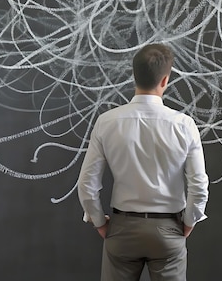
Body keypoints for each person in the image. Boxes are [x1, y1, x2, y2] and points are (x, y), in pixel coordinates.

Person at [77, 43, 210, 281]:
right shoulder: (184, 125)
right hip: (168, 229)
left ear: (134, 75)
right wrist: (189, 221)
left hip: (122, 229)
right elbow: (199, 185)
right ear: (165, 80)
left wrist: (99, 222)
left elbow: (87, 184)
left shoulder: (107, 122)